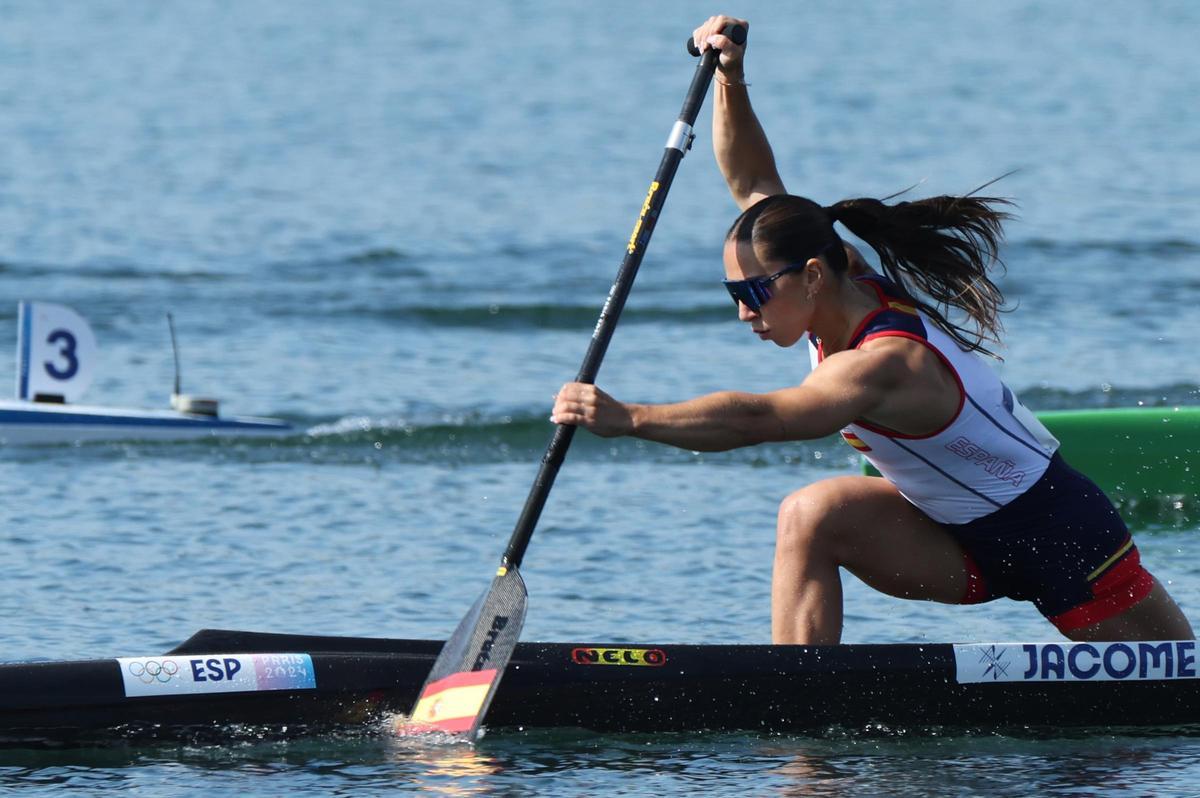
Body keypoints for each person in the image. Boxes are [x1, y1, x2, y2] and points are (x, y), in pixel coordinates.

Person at [550, 15, 1194, 645]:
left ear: (810, 277)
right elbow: (752, 183)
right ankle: (797, 696)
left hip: (1060, 538)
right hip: (951, 537)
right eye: (733, 293)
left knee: (1170, 695)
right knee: (811, 514)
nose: (744, 311)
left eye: (752, 293)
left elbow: (763, 420)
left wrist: (631, 418)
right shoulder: (834, 273)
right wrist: (729, 79)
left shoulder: (884, 363)